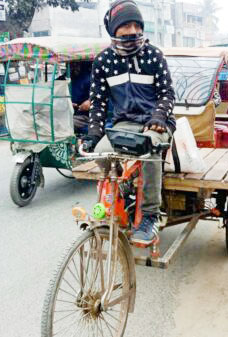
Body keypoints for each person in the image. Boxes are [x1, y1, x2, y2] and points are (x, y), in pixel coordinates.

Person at [82, 0, 175, 245]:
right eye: (126, 25)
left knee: (149, 150)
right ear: (114, 30)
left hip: (157, 122)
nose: (132, 30)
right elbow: (99, 102)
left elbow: (167, 94)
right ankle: (111, 202)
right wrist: (93, 133)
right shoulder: (103, 62)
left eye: (136, 25)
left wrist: (158, 117)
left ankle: (150, 215)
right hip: (124, 124)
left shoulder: (154, 55)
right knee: (101, 152)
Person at [69, 62, 93, 134]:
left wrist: (89, 102)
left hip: (84, 116)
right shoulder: (67, 78)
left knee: (65, 123)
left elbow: (99, 96)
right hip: (69, 113)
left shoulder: (89, 78)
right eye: (72, 65)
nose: (73, 67)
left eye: (76, 64)